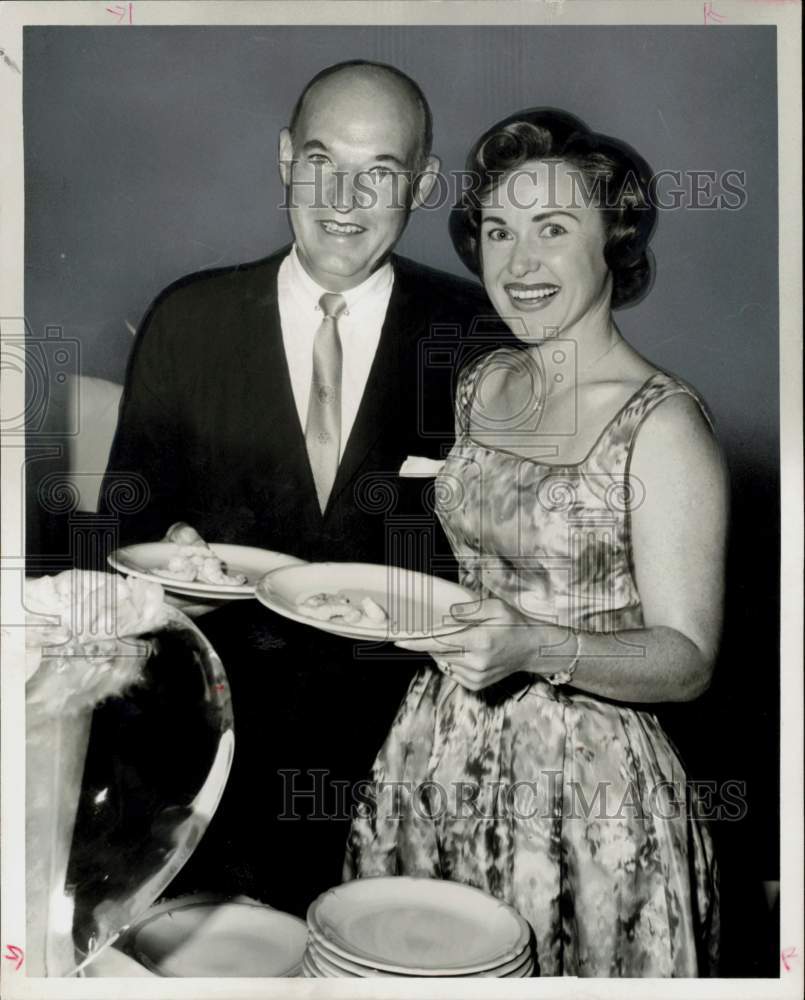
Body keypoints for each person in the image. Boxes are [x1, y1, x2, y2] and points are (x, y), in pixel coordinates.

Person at [98, 61, 506, 915]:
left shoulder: (478, 336)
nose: (344, 198)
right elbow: (119, 534)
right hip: (209, 760)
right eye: (322, 160)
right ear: (285, 157)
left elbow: (511, 561)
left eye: (380, 173)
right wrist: (170, 579)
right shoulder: (189, 320)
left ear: (422, 184)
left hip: (401, 769)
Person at [346, 108, 727, 977]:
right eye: (496, 230)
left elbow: (688, 657)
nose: (517, 264)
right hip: (435, 748)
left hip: (586, 789)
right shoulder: (484, 383)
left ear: (613, 245)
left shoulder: (661, 425)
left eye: (554, 229)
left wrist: (535, 644)